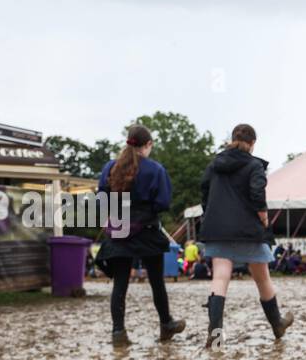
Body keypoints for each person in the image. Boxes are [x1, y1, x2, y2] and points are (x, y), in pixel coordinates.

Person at [198, 123, 294, 348]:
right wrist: (263, 217)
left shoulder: (215, 165)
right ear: (253, 143)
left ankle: (215, 336)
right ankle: (277, 324)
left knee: (220, 278)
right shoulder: (254, 166)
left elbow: (204, 190)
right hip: (249, 230)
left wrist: (211, 214)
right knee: (262, 279)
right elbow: (257, 193)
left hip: (219, 229)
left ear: (232, 139)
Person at [95, 124, 185, 347]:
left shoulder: (110, 167)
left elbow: (101, 199)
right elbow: (163, 202)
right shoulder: (155, 170)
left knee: (120, 283)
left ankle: (118, 332)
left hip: (119, 229)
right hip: (146, 230)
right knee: (156, 281)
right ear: (148, 145)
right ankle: (166, 324)